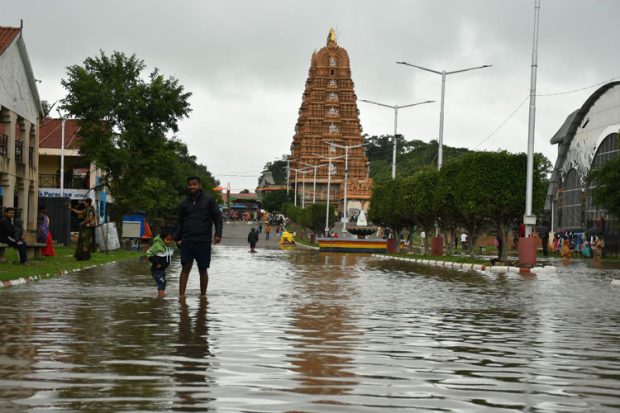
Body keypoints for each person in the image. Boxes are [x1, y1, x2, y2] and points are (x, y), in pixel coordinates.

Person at [175, 176, 223, 297]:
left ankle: (203, 297)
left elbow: (217, 217)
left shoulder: (209, 200)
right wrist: (177, 238)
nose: (192, 187)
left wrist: (218, 234)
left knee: (203, 269)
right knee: (185, 267)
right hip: (187, 240)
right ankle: (181, 297)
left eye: (194, 184)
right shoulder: (184, 202)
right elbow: (180, 222)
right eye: (190, 185)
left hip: (203, 241)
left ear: (200, 185)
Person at [146, 229, 175, 298]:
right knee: (161, 281)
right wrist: (156, 263)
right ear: (162, 239)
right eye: (167, 240)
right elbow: (149, 253)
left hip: (162, 269)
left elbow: (176, 245)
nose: (169, 242)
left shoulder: (170, 246)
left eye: (171, 240)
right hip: (156, 269)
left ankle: (160, 294)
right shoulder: (157, 246)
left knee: (163, 282)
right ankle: (161, 296)